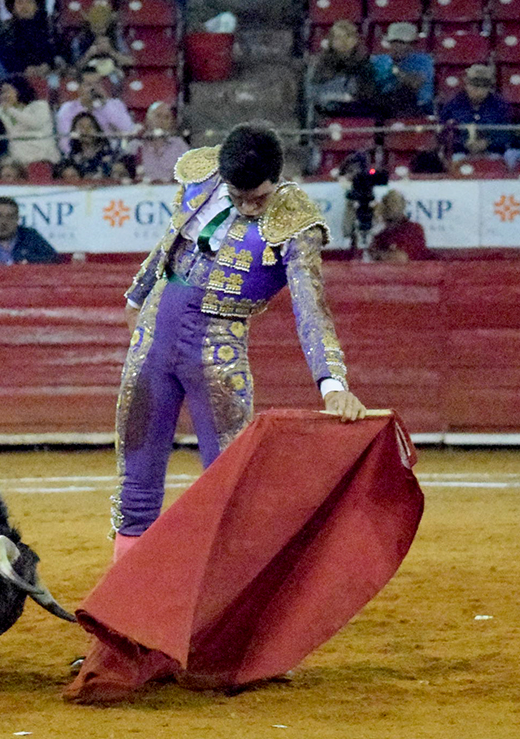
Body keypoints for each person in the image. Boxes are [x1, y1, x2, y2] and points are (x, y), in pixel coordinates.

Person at [111, 124, 366, 557]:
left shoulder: (296, 221)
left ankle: (223, 587)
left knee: (229, 479)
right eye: (237, 196)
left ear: (277, 180)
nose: (248, 206)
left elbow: (311, 307)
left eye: (259, 199)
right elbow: (172, 239)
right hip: (156, 328)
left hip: (217, 346)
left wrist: (333, 385)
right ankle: (129, 587)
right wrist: (137, 295)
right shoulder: (204, 175)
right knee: (137, 472)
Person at [55, 64, 136, 155]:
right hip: (79, 157)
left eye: (97, 83)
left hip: (110, 155)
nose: (93, 89)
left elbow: (128, 130)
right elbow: (64, 142)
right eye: (88, 84)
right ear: (79, 87)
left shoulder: (115, 104)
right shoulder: (67, 109)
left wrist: (105, 106)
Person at [439, 64, 515, 158]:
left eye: (484, 85)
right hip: (460, 152)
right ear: (466, 84)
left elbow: (507, 133)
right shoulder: (452, 104)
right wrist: (463, 143)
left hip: (493, 152)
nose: (479, 90)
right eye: (474, 84)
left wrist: (487, 143)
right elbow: (443, 132)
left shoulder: (500, 105)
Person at [308, 20, 379, 118]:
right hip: (327, 112)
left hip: (357, 112)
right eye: (338, 38)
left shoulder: (364, 63)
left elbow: (368, 93)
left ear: (355, 40)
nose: (343, 42)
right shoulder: (322, 63)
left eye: (347, 37)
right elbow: (314, 91)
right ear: (331, 41)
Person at [0, 75, 60, 166]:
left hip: (44, 155)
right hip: (19, 158)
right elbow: (12, 133)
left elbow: (35, 123)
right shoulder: (2, 111)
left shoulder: (40, 106)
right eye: (2, 92)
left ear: (19, 89)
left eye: (7, 91)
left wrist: (11, 110)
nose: (4, 96)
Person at [371, 22, 433, 116]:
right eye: (395, 42)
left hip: (416, 105)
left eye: (403, 43)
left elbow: (414, 84)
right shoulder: (379, 60)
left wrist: (395, 69)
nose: (399, 46)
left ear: (412, 45)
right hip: (383, 104)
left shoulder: (423, 60)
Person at [68, 2, 133, 81]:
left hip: (111, 75)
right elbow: (74, 68)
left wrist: (111, 51)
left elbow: (130, 61)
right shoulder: (80, 39)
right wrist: (89, 54)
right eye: (95, 27)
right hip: (88, 75)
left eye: (103, 26)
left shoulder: (115, 37)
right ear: (90, 24)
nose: (100, 30)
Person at [55, 112, 128, 180]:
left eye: (90, 126)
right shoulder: (70, 159)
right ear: (74, 132)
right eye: (81, 127)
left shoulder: (110, 155)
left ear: (97, 130)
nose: (86, 130)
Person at [0, 0, 55, 77]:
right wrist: (23, 69)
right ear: (13, 7)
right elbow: (4, 56)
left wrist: (47, 65)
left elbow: (55, 52)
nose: (25, 7)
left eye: (29, 2)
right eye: (20, 2)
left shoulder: (50, 28)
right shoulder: (4, 30)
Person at [367, 189, 428, 262]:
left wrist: (380, 255)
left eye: (394, 203)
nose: (390, 207)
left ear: (403, 206)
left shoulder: (413, 229)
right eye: (386, 203)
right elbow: (370, 254)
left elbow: (400, 258)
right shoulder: (381, 236)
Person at [136, 101, 188, 183]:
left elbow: (188, 173)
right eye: (158, 116)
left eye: (166, 117)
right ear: (148, 118)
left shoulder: (179, 145)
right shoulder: (137, 145)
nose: (162, 120)